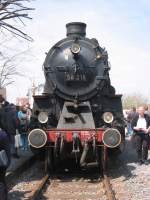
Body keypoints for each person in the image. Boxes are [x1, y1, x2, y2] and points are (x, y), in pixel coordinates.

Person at [0, 129, 11, 200]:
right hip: (2, 164)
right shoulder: (3, 134)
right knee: (2, 181)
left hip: (1, 164)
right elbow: (7, 151)